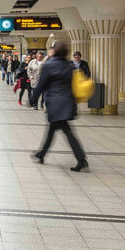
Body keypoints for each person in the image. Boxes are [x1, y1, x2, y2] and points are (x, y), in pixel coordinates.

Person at [30, 41, 87, 172]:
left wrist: (33, 99)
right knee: (53, 130)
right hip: (67, 102)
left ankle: (81, 159)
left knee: (67, 132)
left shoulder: (49, 65)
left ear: (55, 51)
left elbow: (41, 84)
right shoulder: (69, 65)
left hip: (55, 104)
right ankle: (41, 154)